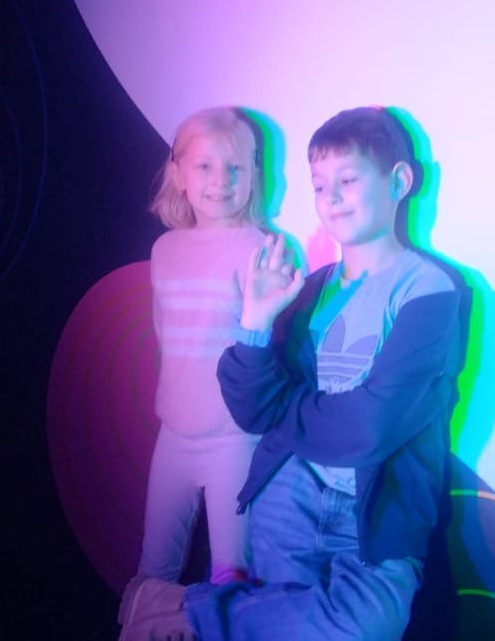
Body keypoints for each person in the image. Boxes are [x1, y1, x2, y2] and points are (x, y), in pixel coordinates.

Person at [121, 106, 464, 641]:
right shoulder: (309, 287)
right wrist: (255, 323)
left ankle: (182, 607)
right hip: (291, 494)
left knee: (366, 624)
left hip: (375, 517)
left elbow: (370, 428)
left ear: (399, 182)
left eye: (348, 180)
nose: (332, 197)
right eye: (320, 185)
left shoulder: (430, 290)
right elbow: (253, 408)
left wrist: (287, 408)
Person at [118, 107, 268, 641]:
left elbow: (264, 348)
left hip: (235, 441)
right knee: (154, 567)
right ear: (178, 173)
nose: (220, 181)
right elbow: (167, 338)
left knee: (232, 576)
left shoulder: (259, 248)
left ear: (253, 175)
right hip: (174, 437)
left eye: (235, 167)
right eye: (205, 166)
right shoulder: (165, 250)